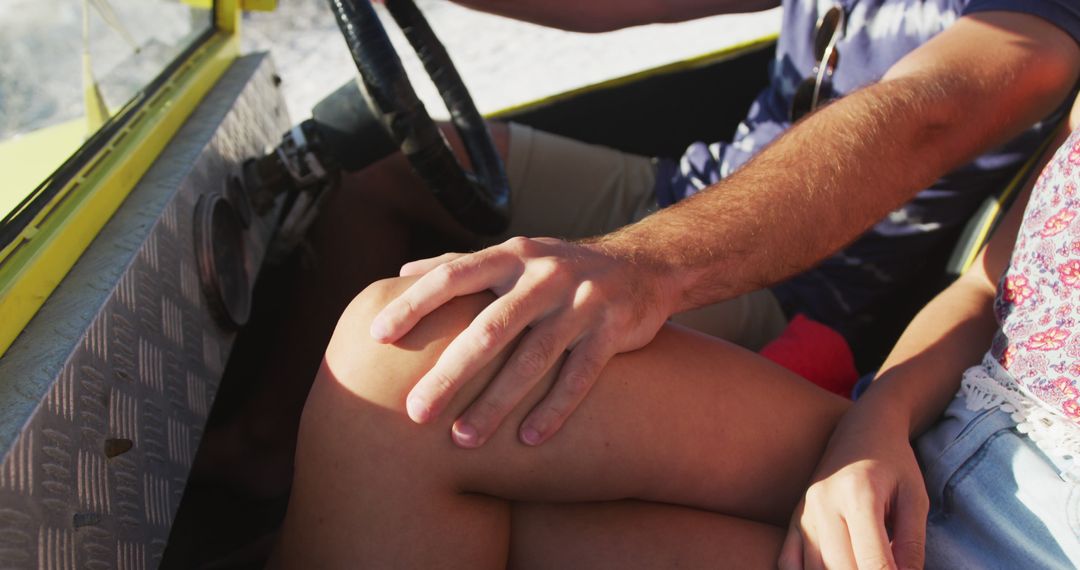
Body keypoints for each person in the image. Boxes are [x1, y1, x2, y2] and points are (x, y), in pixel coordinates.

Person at [274, 95, 1080, 567]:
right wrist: (880, 422)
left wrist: (650, 265)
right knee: (410, 370)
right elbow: (988, 283)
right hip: (947, 423)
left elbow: (927, 114)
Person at [355, 0, 1080, 451]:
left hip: (787, 286)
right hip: (680, 192)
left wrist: (647, 265)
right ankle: (269, 454)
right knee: (372, 163)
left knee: (425, 358)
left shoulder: (1036, 17)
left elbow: (926, 113)